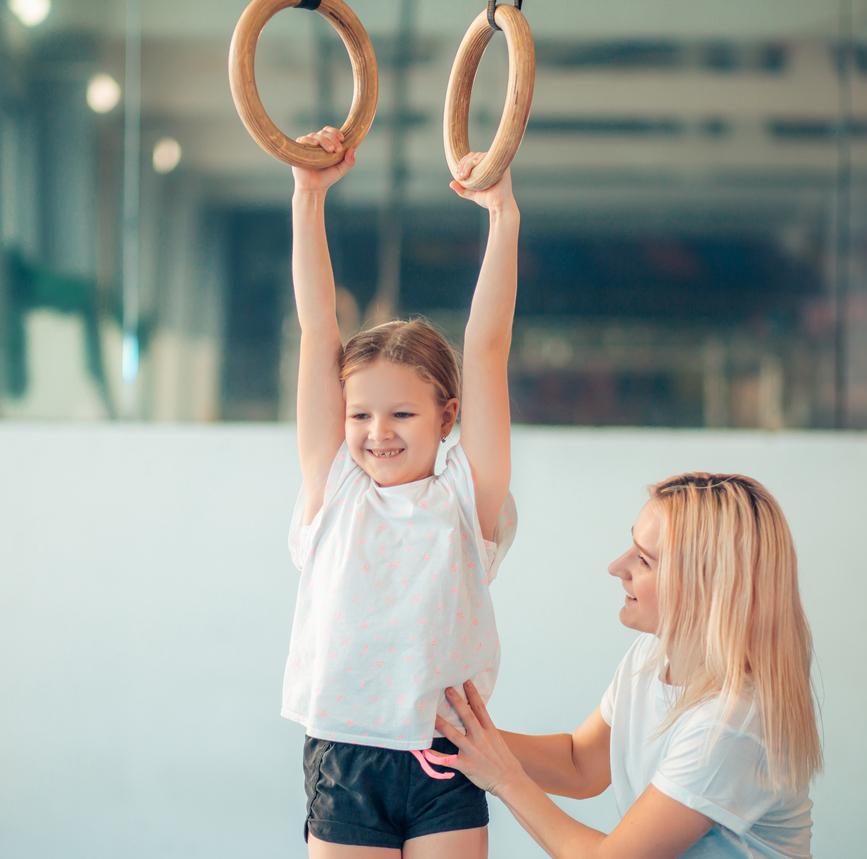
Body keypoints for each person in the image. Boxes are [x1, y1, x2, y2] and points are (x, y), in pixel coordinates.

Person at [284, 126, 521, 858]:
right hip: (347, 753)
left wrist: (502, 216)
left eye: (402, 414)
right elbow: (318, 326)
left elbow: (485, 347)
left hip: (445, 753)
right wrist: (307, 195)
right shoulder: (336, 488)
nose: (376, 432)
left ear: (448, 416)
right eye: (360, 414)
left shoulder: (465, 500)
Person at [427, 474, 822, 858]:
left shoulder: (730, 724)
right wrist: (447, 732)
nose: (617, 566)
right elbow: (579, 764)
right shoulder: (649, 657)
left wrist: (504, 778)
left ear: (708, 588)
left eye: (644, 561)